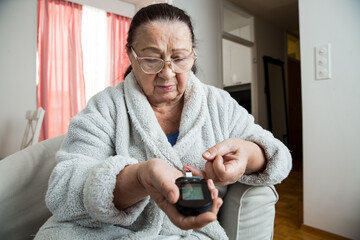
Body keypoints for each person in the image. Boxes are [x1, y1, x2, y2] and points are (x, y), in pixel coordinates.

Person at [35, 3, 292, 240]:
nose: (167, 74)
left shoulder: (218, 104)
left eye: (179, 59)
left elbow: (278, 157)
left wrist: (247, 155)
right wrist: (140, 178)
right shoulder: (105, 107)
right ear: (131, 56)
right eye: (151, 60)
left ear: (193, 55)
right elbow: (63, 192)